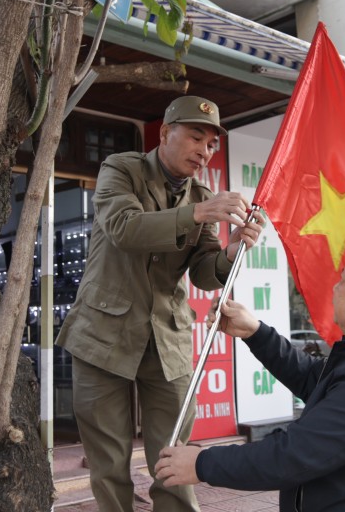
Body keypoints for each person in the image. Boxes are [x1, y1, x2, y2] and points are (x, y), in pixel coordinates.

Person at [55, 95, 265, 512]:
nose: (204, 151)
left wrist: (231, 250)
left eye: (210, 145)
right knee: (108, 464)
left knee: (174, 460)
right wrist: (199, 214)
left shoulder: (200, 193)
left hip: (166, 339)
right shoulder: (121, 169)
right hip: (102, 336)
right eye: (195, 137)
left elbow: (204, 273)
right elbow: (123, 228)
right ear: (165, 133)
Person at [155, 239, 345, 512]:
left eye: (343, 280)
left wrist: (201, 464)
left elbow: (292, 455)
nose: (335, 287)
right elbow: (316, 381)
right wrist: (256, 333)